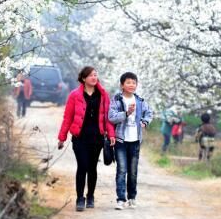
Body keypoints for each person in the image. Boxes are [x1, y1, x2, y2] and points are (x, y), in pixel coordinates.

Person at [57, 67, 115, 211]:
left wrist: (111, 134)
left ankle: (90, 196)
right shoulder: (74, 95)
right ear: (83, 78)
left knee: (92, 167)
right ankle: (79, 198)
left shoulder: (103, 95)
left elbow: (108, 117)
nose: (94, 78)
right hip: (80, 137)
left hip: (97, 137)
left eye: (95, 75)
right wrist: (62, 137)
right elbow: (68, 117)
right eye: (90, 76)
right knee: (82, 166)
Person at [108, 72, 153, 210]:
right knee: (121, 170)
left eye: (134, 82)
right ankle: (121, 199)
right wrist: (126, 113)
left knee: (133, 172)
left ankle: (132, 197)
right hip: (121, 140)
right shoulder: (117, 100)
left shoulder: (140, 101)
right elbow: (111, 117)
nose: (131, 85)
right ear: (122, 85)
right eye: (128, 82)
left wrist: (145, 122)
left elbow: (149, 113)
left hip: (135, 141)